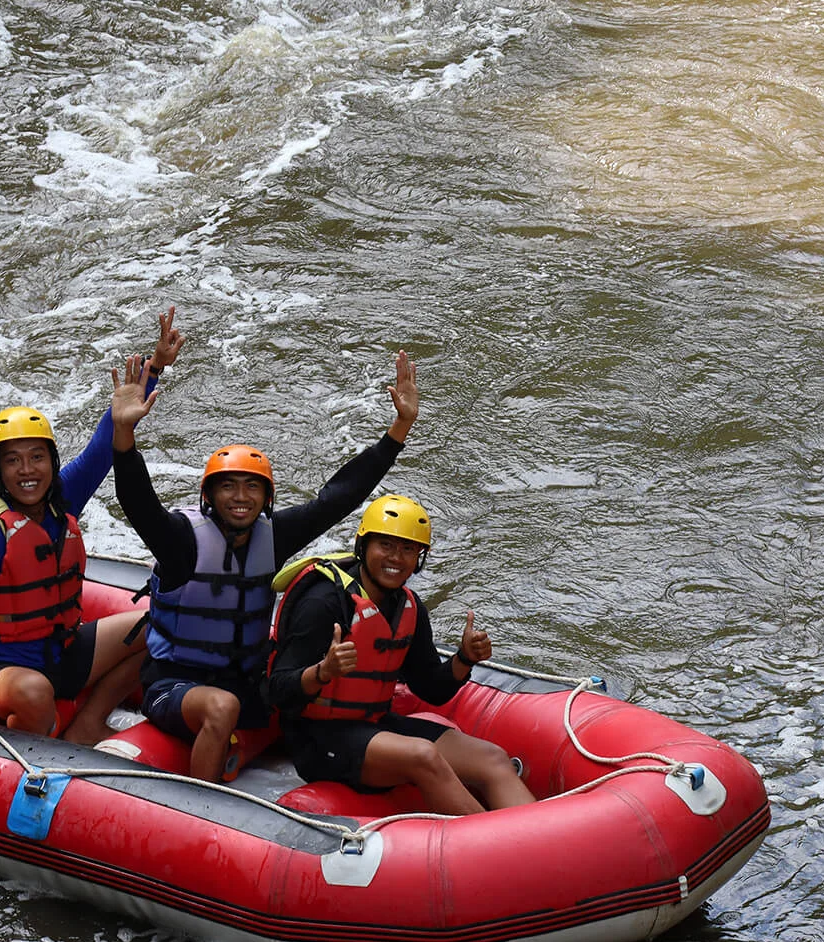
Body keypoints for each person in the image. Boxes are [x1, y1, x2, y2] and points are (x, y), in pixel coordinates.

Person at [108, 349, 422, 782]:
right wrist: (124, 432)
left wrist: (398, 430)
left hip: (249, 683)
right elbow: (138, 502)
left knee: (282, 693)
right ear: (210, 496)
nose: (241, 497)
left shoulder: (271, 537)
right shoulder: (180, 541)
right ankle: (201, 805)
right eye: (229, 487)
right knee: (222, 707)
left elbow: (337, 499)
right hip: (173, 686)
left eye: (252, 487)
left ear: (267, 498)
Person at [0, 312, 184, 745]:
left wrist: (152, 372)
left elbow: (104, 447)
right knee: (33, 691)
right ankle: (29, 756)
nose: (27, 470)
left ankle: (88, 721)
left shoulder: (62, 498)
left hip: (60, 650)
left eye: (37, 457)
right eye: (13, 460)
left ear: (51, 462)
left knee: (161, 621)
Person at [265, 494, 535, 815]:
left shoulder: (408, 606)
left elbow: (431, 689)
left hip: (374, 725)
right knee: (423, 756)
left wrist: (465, 658)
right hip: (319, 740)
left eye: (408, 549)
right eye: (386, 546)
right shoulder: (323, 603)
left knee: (493, 759)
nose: (397, 558)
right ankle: (500, 852)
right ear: (363, 546)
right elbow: (278, 690)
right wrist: (323, 671)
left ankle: (539, 846)